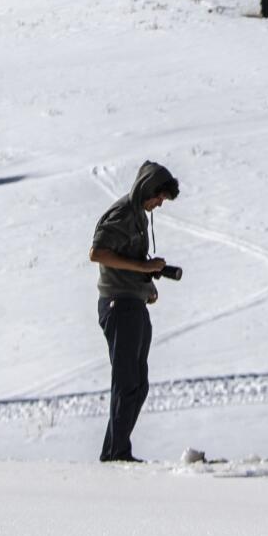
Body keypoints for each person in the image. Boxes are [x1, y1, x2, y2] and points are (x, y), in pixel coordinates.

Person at [88, 161, 180, 463]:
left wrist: (146, 283)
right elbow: (97, 252)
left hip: (132, 301)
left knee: (137, 384)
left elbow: (127, 257)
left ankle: (115, 450)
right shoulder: (124, 213)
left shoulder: (139, 215)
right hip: (118, 304)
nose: (159, 204)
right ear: (148, 188)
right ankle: (115, 454)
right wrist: (143, 267)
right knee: (127, 382)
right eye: (159, 198)